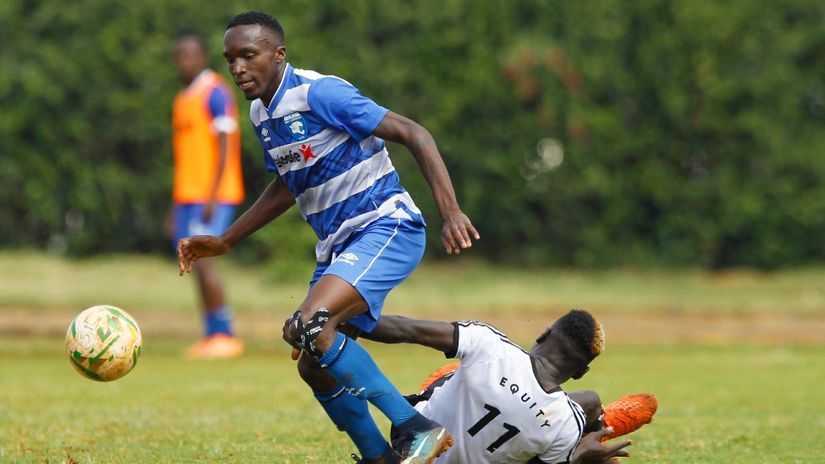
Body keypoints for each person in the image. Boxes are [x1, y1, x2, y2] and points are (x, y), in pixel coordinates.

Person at [177, 11, 479, 464]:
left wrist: (450, 210)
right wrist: (225, 240)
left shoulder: (320, 93)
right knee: (312, 363)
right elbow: (287, 184)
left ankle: (416, 427)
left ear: (279, 55)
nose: (237, 68)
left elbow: (413, 133)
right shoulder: (261, 113)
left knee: (311, 325)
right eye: (230, 59)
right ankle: (379, 457)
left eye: (248, 56)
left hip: (386, 226)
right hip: (339, 246)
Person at [362, 310, 650, 463]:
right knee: (584, 406)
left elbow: (406, 329)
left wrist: (343, 318)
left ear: (544, 334)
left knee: (452, 373)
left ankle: (598, 429)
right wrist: (577, 458)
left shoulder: (490, 344)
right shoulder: (566, 423)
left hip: (410, 437)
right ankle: (601, 429)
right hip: (558, 427)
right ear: (580, 373)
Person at [172, 32, 246, 359]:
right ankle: (211, 333)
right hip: (187, 197)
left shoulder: (215, 92)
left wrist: (213, 195)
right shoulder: (182, 98)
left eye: (190, 55)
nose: (184, 62)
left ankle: (225, 335)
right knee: (192, 261)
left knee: (204, 261)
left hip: (214, 195)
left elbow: (226, 143)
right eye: (179, 56)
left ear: (202, 57)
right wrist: (175, 205)